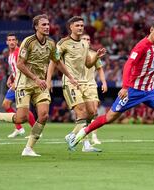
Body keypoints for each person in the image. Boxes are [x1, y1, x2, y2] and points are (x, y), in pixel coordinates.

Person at [66, 19, 154, 157]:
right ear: (151, 30)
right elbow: (128, 65)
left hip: (149, 90)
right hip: (133, 91)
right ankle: (81, 134)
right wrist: (125, 87)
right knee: (109, 117)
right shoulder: (141, 46)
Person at [0, 14, 78, 156]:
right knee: (21, 118)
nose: (47, 27)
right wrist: (35, 78)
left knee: (44, 115)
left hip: (40, 85)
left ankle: (28, 149)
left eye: (48, 24)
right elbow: (20, 64)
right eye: (43, 25)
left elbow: (58, 62)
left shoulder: (51, 43)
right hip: (25, 84)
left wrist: (70, 77)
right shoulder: (28, 42)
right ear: (36, 27)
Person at [49, 16, 106, 153]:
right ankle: (78, 140)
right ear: (71, 27)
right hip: (70, 82)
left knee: (92, 112)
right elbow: (54, 60)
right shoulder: (63, 43)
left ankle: (72, 135)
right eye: (77, 25)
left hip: (84, 83)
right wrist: (48, 79)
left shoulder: (85, 44)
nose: (80, 27)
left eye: (82, 25)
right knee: (81, 112)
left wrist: (96, 57)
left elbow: (88, 64)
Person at [3, 33, 36, 138]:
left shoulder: (18, 53)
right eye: (9, 40)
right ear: (7, 42)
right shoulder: (10, 54)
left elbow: (23, 68)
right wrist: (10, 77)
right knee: (6, 105)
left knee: (23, 109)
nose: (12, 42)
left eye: (13, 40)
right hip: (16, 82)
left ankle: (35, 131)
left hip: (21, 84)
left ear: (17, 42)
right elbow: (14, 69)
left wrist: (16, 81)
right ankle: (19, 128)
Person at [80, 33, 108, 145]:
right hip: (79, 85)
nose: (87, 40)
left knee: (94, 111)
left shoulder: (94, 54)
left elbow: (100, 69)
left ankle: (94, 136)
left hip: (91, 84)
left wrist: (104, 82)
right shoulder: (74, 53)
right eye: (84, 39)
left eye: (88, 39)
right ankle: (81, 134)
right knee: (83, 113)